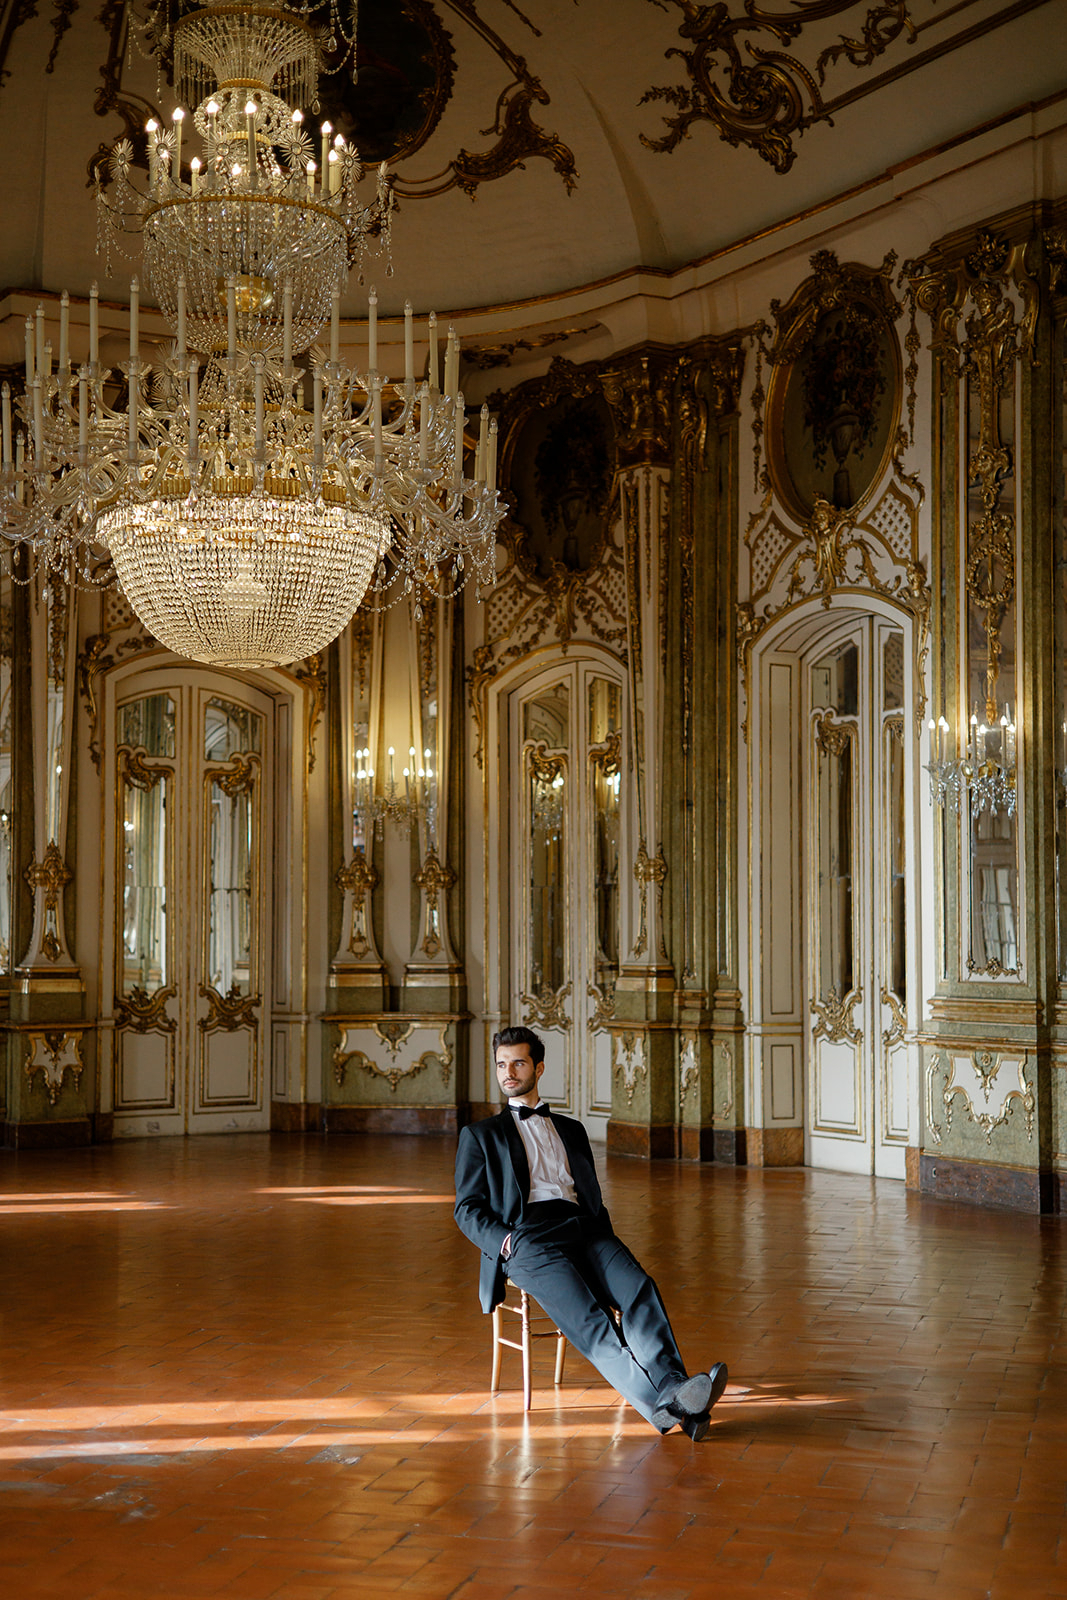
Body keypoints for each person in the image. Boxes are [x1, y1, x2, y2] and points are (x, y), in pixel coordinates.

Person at [454, 1025, 728, 1440]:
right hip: (527, 1237)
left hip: (584, 1228)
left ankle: (675, 1392)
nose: (508, 1072)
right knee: (591, 1320)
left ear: (538, 1068)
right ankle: (671, 1405)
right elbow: (466, 1209)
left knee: (639, 1289)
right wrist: (507, 1242)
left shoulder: (572, 1129)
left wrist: (606, 1243)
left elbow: (589, 1195)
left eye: (518, 1063)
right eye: (501, 1064)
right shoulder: (481, 1136)